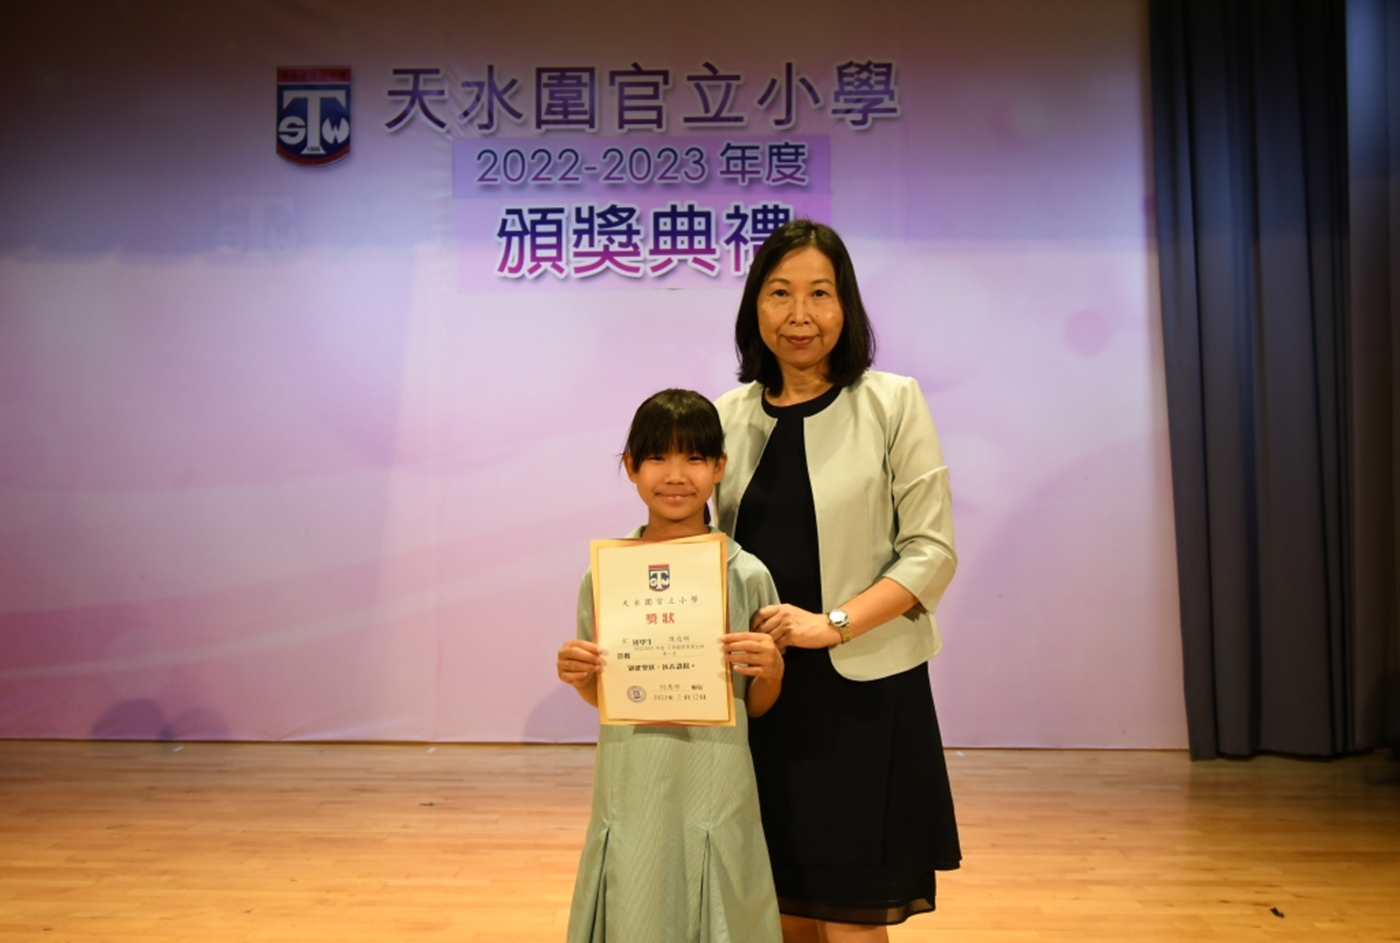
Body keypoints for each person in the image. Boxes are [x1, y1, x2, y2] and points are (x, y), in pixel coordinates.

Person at [714, 221, 962, 943]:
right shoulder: (725, 416)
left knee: (852, 917)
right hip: (763, 695)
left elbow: (930, 550)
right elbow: (698, 547)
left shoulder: (893, 400)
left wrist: (834, 624)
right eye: (780, 293)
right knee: (782, 910)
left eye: (820, 294)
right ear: (754, 306)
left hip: (863, 692)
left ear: (846, 304)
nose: (800, 315)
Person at [556, 388, 787, 943]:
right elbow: (604, 695)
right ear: (631, 467)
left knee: (720, 883)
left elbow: (757, 704)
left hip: (717, 772)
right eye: (658, 457)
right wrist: (580, 675)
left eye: (695, 458)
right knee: (633, 882)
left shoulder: (746, 573)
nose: (676, 475)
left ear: (719, 468)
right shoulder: (606, 576)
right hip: (631, 771)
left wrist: (773, 670)